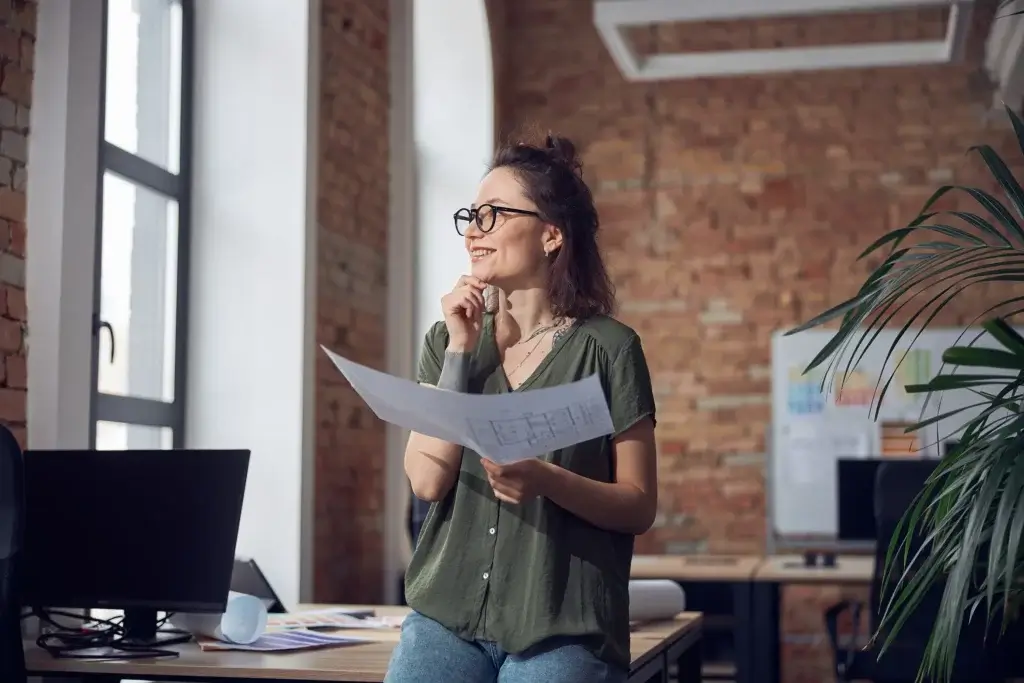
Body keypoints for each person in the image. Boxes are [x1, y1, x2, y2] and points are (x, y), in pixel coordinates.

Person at [384, 134, 658, 683]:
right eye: (471, 216)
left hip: (562, 627)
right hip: (447, 618)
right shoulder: (446, 340)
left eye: (493, 215)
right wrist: (461, 352)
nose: (473, 231)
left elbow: (638, 506)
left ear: (551, 235)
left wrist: (547, 481)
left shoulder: (609, 348)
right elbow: (425, 482)